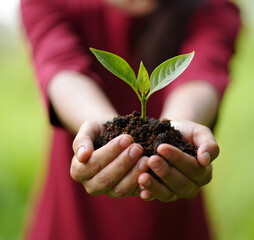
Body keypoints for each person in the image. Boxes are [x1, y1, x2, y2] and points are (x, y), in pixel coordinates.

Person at [21, 0, 241, 239]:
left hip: (168, 190)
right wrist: (101, 131)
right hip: (77, 208)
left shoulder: (211, 6)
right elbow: (61, 68)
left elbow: (203, 70)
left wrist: (176, 130)